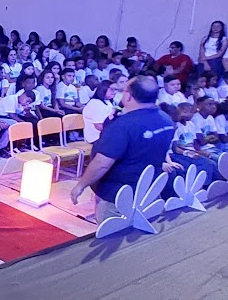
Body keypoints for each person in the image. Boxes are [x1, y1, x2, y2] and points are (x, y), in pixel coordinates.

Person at [70, 77, 175, 221]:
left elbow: (102, 163)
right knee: (145, 229)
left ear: (128, 96)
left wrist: (81, 185)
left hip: (119, 195)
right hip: (150, 189)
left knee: (114, 232)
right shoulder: (166, 119)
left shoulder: (123, 125)